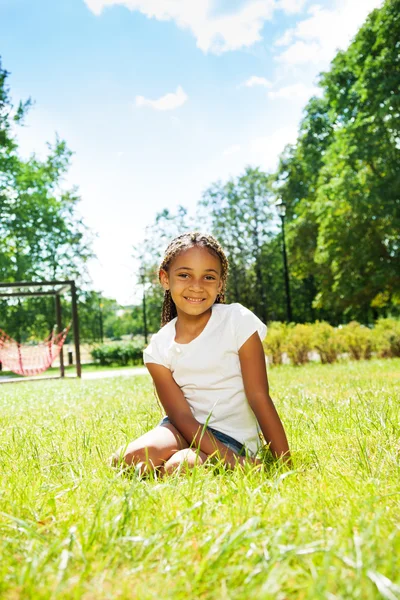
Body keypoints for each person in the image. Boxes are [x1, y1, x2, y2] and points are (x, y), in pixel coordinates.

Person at [112, 232, 290, 475]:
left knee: (181, 466)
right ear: (165, 278)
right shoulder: (158, 348)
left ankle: (178, 462)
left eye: (208, 277)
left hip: (233, 437)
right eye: (184, 275)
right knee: (128, 458)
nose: (196, 286)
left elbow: (259, 397)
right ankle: (173, 459)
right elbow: (182, 417)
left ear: (220, 284)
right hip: (183, 429)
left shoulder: (238, 321)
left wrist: (284, 464)